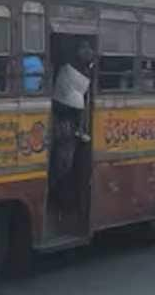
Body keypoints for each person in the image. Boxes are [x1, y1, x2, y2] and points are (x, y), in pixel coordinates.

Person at [52, 40, 94, 209]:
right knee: (63, 164)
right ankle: (60, 199)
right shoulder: (68, 71)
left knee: (70, 164)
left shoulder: (86, 69)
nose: (89, 51)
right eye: (85, 48)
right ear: (77, 51)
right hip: (66, 126)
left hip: (74, 128)